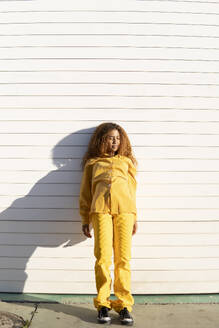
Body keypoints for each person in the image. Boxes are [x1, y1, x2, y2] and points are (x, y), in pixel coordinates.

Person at [79, 122, 138, 326]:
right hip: (100, 211)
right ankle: (103, 303)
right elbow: (85, 194)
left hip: (125, 212)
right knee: (103, 258)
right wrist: (85, 218)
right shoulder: (93, 164)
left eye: (118, 138)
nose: (115, 142)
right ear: (102, 140)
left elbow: (132, 191)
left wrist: (134, 216)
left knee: (123, 259)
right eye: (111, 138)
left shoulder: (127, 162)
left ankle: (124, 305)